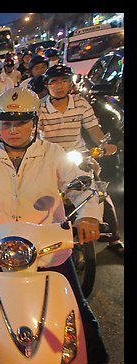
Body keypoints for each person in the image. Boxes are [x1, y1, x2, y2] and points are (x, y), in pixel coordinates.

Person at [0, 86, 111, 364]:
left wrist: (89, 218)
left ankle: (97, 363)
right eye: (6, 123)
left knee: (77, 308)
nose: (13, 130)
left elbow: (82, 185)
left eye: (20, 122)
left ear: (34, 123)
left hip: (47, 248)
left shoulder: (54, 154)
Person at [38, 64, 123, 257]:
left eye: (64, 81)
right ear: (47, 85)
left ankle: (113, 237)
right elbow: (35, 134)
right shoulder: (39, 107)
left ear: (70, 83)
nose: (59, 86)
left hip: (78, 154)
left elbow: (93, 129)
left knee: (97, 191)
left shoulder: (81, 104)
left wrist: (102, 145)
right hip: (49, 158)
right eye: (54, 82)